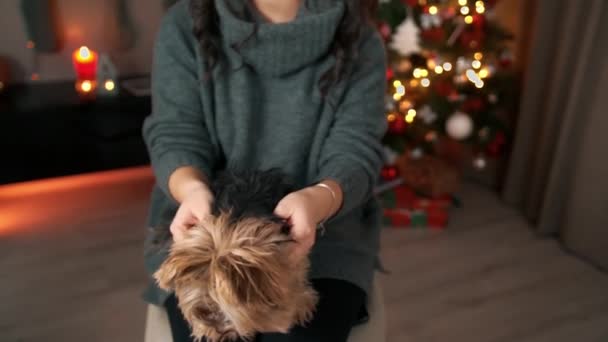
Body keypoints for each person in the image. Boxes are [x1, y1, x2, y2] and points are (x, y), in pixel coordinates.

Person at [142, 0, 387, 341]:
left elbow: (355, 151)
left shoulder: (360, 40)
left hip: (324, 234)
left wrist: (319, 201)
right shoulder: (186, 25)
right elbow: (175, 133)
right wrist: (192, 190)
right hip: (206, 232)